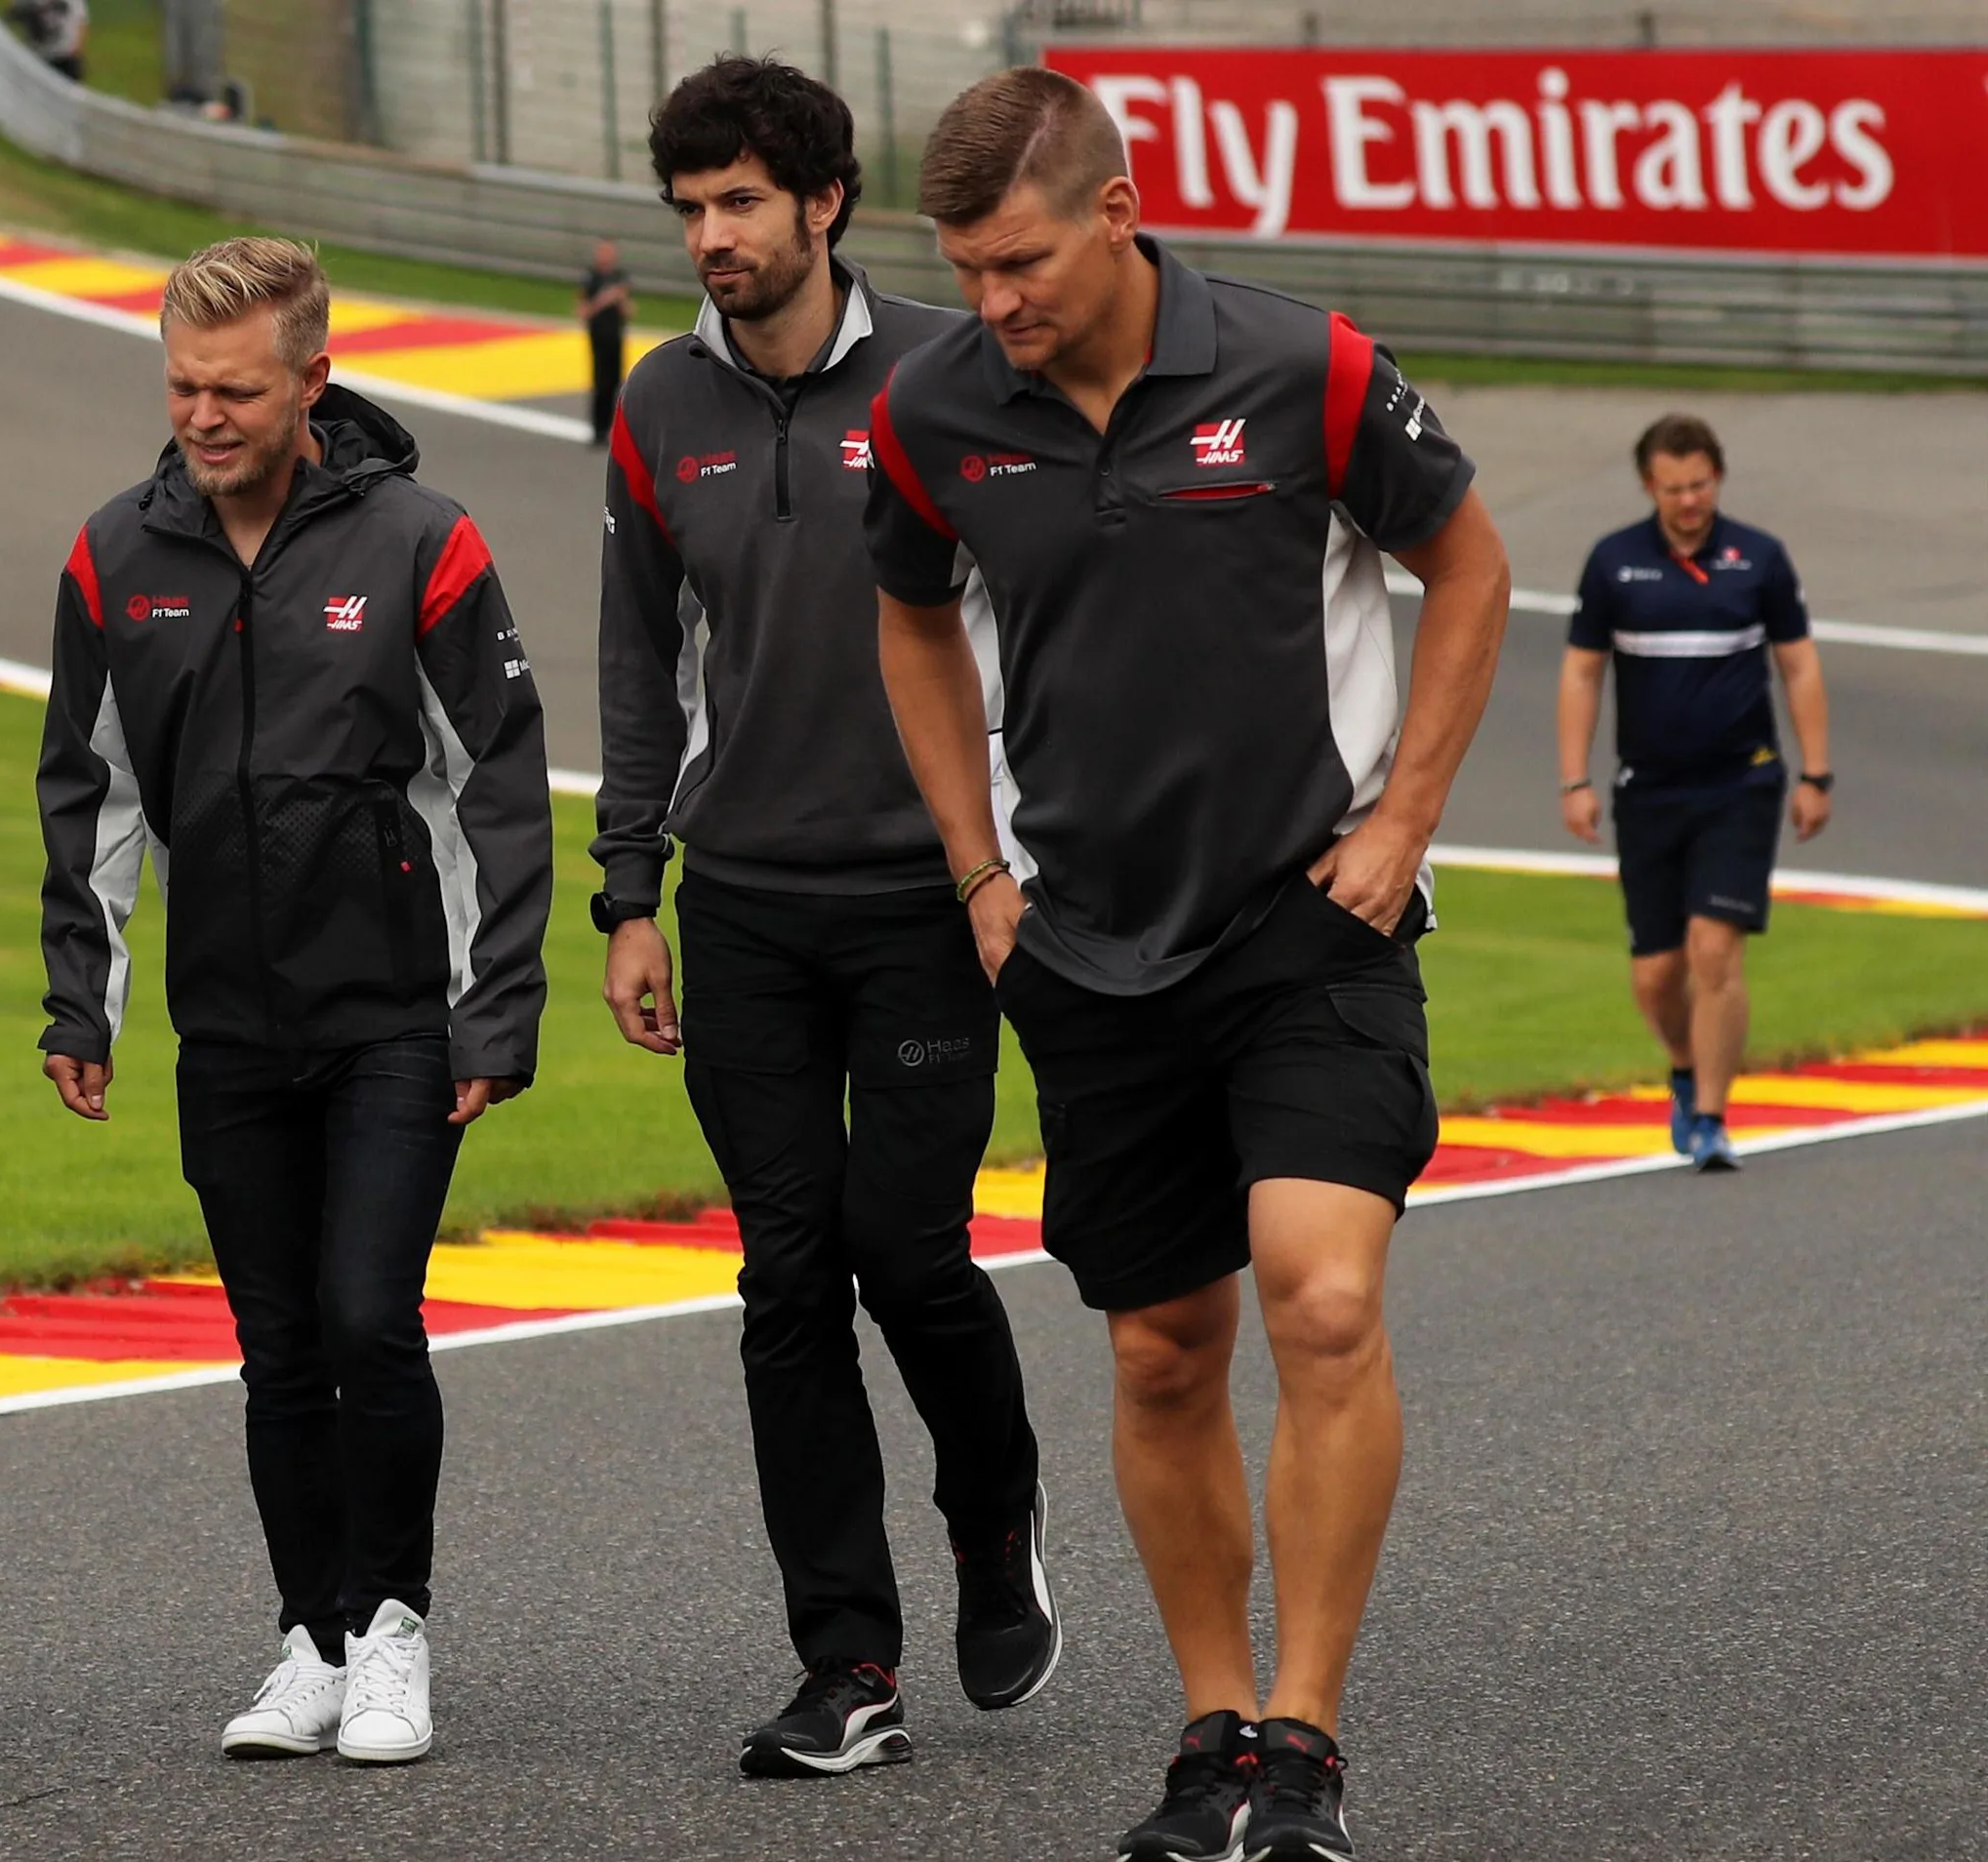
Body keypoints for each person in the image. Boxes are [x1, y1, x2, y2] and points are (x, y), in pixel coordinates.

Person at [864, 68, 1511, 1862]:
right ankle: (1210, 1726)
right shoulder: (933, 409)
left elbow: (1466, 568)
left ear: (1119, 206)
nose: (993, 300)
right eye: (968, 268)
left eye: (1020, 259)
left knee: (1317, 1293)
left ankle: (1302, 1744)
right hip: (1081, 939)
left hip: (1312, 919)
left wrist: (1401, 827)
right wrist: (976, 873)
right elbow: (910, 620)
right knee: (1159, 1348)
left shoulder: (1299, 368)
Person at [593, 55, 1052, 1780]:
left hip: (933, 898)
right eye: (688, 209)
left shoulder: (953, 368)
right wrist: (629, 892)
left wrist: (1021, 866)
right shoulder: (655, 404)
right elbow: (638, 658)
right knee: (783, 1274)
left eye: (739, 204)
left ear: (824, 203)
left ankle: (991, 1522)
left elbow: (1049, 613)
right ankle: (846, 1655)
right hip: (745, 907)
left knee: (906, 1249)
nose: (710, 238)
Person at [37, 237, 550, 1768]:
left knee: (365, 1319)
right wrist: (84, 1001)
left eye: (237, 389)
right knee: (273, 1345)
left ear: (312, 380)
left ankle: (396, 1630)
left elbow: (496, 788)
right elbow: (92, 791)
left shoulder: (424, 544)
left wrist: (495, 1009)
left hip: (394, 1016)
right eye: (184, 386)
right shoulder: (114, 557)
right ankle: (310, 1640)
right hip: (228, 1027)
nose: (204, 415)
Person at [1557, 414, 1830, 1172]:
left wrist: (1816, 773)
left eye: (1700, 484)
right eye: (1674, 488)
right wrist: (1574, 779)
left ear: (1719, 478)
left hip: (1743, 782)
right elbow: (1582, 672)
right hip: (1648, 790)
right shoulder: (1613, 565)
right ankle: (1682, 1063)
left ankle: (1711, 1116)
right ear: (1650, 486)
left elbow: (1799, 666)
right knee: (1657, 972)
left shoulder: (1760, 560)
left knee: (1715, 949)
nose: (1688, 501)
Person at [577, 237, 631, 445]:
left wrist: (620, 299)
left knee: (617, 383)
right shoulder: (590, 278)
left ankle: (614, 428)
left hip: (616, 337)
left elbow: (629, 311)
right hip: (598, 338)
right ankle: (598, 429)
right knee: (600, 382)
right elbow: (582, 311)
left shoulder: (620, 277)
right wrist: (603, 300)